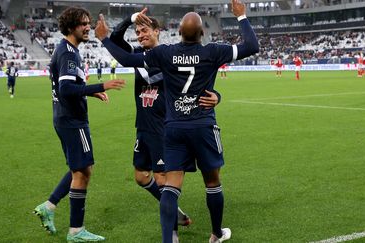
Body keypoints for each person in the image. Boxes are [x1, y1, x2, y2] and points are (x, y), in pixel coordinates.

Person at [95, 0, 259, 242]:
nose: (141, 35)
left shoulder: (165, 54)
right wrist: (241, 16)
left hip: (173, 128)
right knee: (212, 181)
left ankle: (168, 240)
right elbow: (252, 45)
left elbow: (127, 60)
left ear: (178, 32)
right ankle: (215, 234)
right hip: (202, 125)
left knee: (170, 187)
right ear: (203, 33)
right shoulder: (213, 51)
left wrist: (105, 40)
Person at [109, 9, 223, 239]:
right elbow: (114, 41)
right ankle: (176, 213)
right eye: (137, 32)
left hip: (165, 126)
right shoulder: (139, 54)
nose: (140, 35)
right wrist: (130, 19)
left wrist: (217, 95)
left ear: (157, 31)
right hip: (143, 125)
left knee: (164, 181)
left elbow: (195, 85)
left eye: (144, 30)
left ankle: (172, 234)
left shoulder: (169, 56)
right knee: (141, 176)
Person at [33, 7, 125, 242]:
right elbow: (66, 90)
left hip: (66, 118)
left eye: (89, 22)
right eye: (83, 23)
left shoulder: (68, 50)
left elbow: (69, 87)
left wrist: (92, 94)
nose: (88, 27)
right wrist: (100, 87)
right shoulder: (68, 53)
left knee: (80, 168)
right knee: (84, 170)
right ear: (71, 26)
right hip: (72, 120)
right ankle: (75, 230)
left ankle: (50, 207)